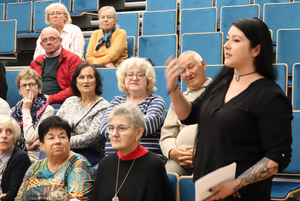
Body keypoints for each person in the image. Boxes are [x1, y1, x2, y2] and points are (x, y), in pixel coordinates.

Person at [165, 18, 292, 201]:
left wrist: (236, 184)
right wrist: (173, 90)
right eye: (227, 39)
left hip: (241, 195)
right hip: (206, 190)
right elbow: (189, 115)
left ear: (256, 50)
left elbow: (278, 157)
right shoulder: (223, 81)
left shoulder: (271, 96)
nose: (226, 45)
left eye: (236, 40)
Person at [91, 103, 174, 201]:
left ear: (138, 132)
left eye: (122, 128)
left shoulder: (153, 165)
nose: (114, 134)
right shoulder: (105, 164)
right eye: (112, 128)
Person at [15, 115, 94, 200]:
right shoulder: (35, 166)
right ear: (42, 145)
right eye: (51, 138)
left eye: (62, 137)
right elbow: (19, 198)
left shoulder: (79, 165)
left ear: (69, 141)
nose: (57, 141)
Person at [160, 50, 213, 176]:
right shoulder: (179, 101)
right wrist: (172, 151)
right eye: (182, 70)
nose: (188, 73)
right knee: (167, 177)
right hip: (179, 160)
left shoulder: (219, 92)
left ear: (203, 65)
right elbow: (167, 134)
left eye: (191, 67)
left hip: (209, 158)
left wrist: (201, 152)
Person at [99, 57, 165, 156]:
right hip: (114, 158)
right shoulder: (117, 101)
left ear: (148, 80)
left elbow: (149, 126)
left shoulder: (155, 100)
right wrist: (140, 119)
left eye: (140, 75)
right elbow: (104, 128)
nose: (134, 78)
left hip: (145, 159)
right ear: (123, 79)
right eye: (129, 74)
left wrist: (117, 127)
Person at [56, 63, 109, 166]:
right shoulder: (70, 101)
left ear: (96, 82)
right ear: (76, 82)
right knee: (44, 163)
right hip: (62, 147)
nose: (86, 81)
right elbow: (54, 124)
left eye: (90, 77)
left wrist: (59, 143)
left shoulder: (103, 106)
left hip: (90, 151)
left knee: (62, 167)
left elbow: (91, 137)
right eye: (81, 77)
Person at [10, 68, 54, 162]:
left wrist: (26, 110)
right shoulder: (14, 111)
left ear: (39, 88)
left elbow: (30, 138)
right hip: (15, 154)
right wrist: (26, 147)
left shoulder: (48, 110)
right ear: (19, 91)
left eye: (32, 84)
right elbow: (8, 140)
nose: (27, 88)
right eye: (24, 85)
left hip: (35, 157)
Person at [30, 27, 82, 105]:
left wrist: (51, 99)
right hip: (38, 102)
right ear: (41, 45)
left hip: (63, 103)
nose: (48, 42)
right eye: (45, 40)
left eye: (52, 39)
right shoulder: (35, 63)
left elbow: (75, 88)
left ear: (60, 40)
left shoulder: (73, 59)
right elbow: (29, 85)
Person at [0, 115, 31, 201]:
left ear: (14, 137)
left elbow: (13, 194)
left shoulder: (20, 158)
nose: (4, 136)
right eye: (0, 131)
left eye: (9, 131)